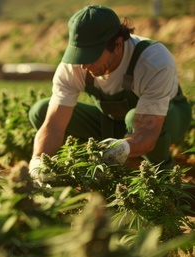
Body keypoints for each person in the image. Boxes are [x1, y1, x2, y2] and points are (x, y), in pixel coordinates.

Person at [28, 5, 191, 181]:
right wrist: (37, 161)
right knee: (42, 111)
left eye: (91, 55)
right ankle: (60, 179)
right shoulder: (73, 67)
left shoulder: (152, 60)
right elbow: (54, 126)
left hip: (166, 118)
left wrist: (122, 149)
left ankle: (164, 179)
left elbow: (148, 132)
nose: (83, 65)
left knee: (134, 118)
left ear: (117, 44)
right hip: (114, 120)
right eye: (79, 54)